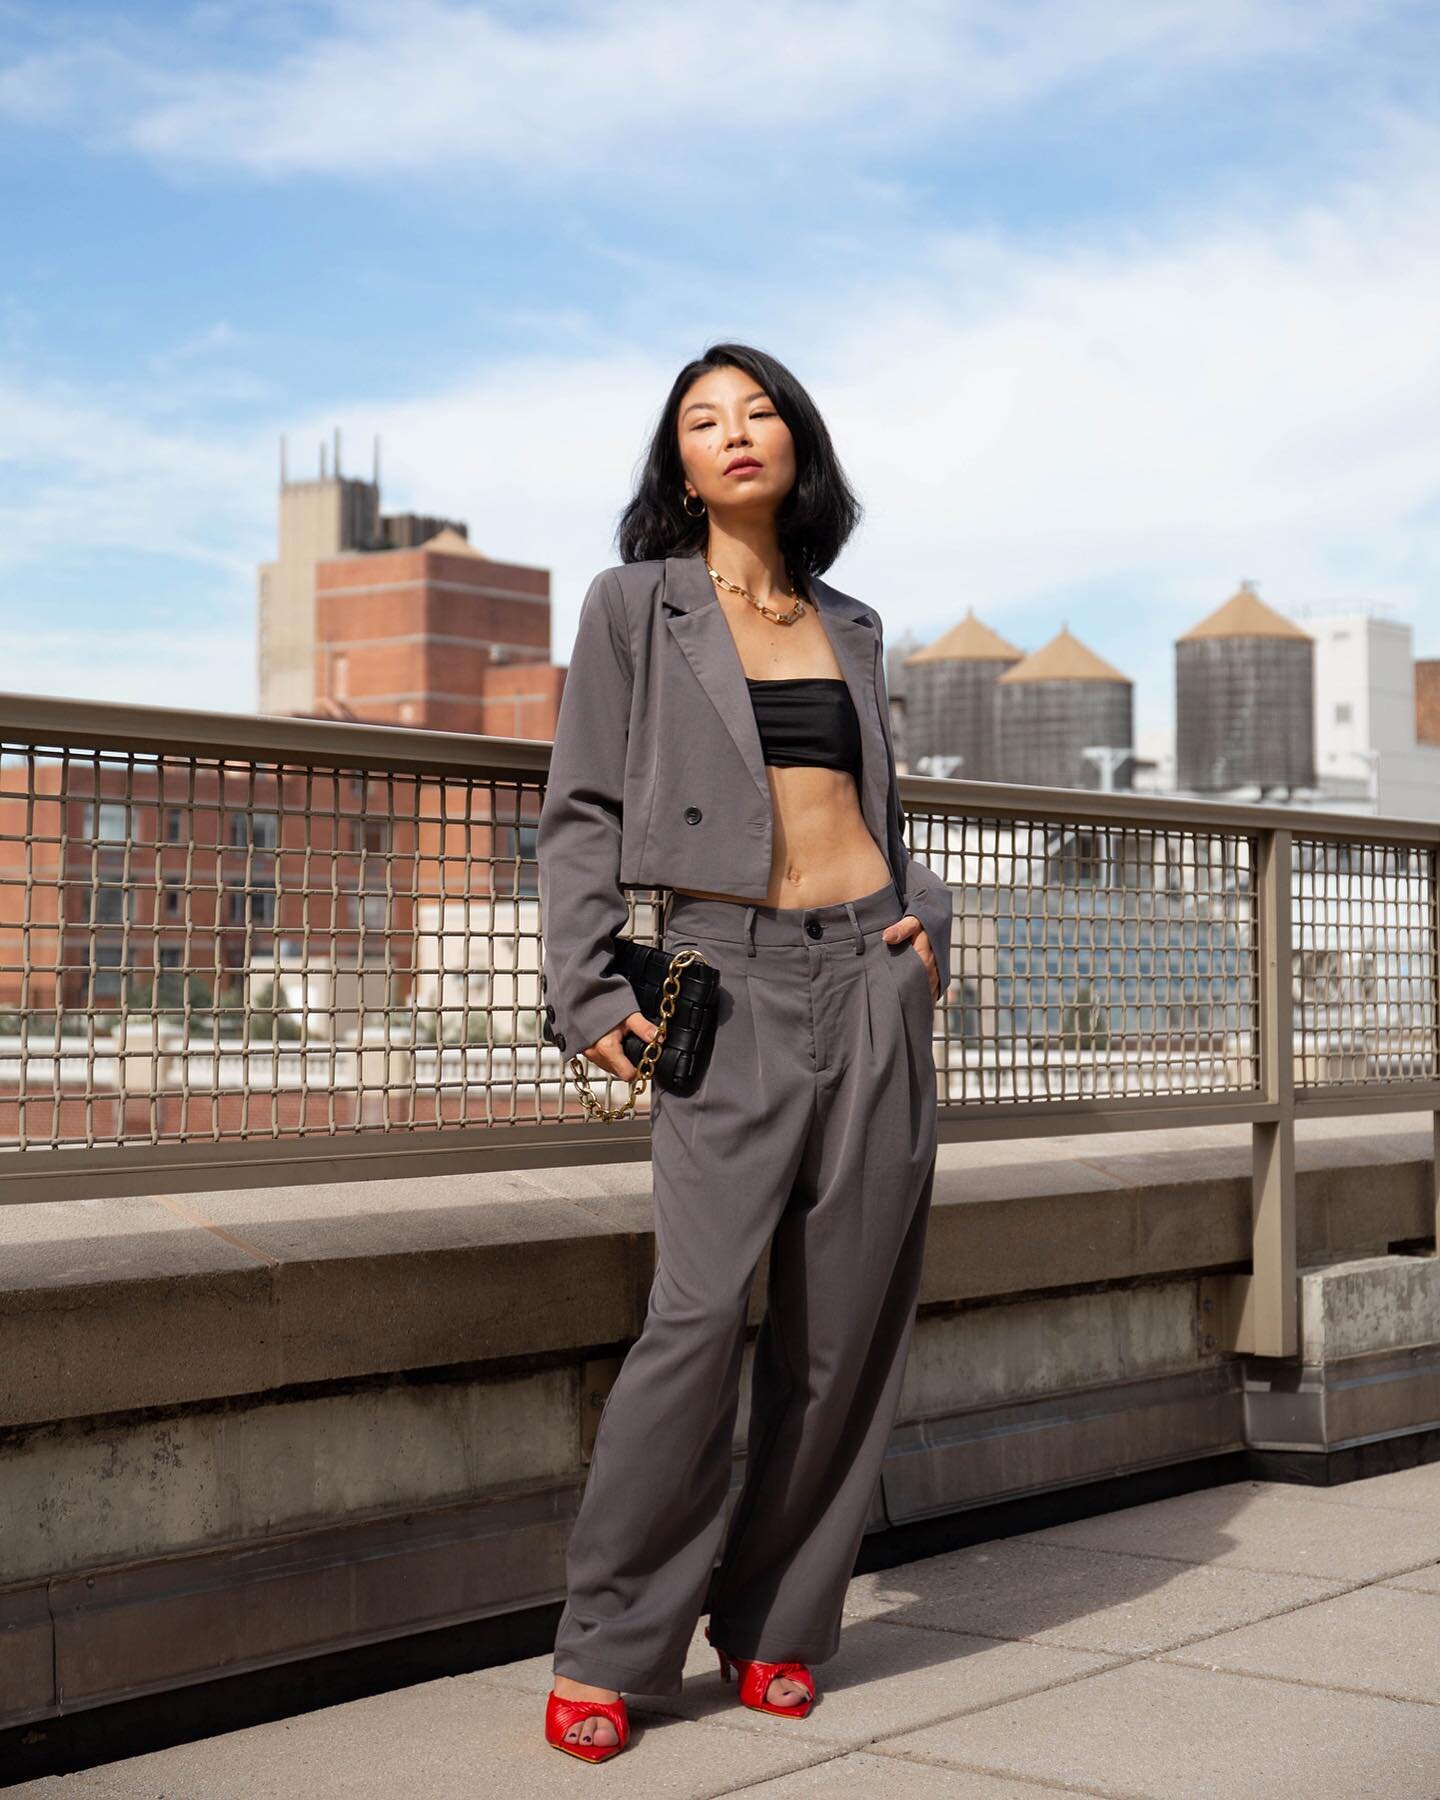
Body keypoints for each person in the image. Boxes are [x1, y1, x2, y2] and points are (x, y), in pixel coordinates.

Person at [536, 342, 949, 1764]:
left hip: (875, 979)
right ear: (680, 463)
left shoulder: (852, 618)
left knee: (841, 1336)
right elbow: (580, 805)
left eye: (758, 410)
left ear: (796, 442)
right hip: (733, 984)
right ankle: (610, 1646)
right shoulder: (634, 606)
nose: (734, 434)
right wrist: (585, 990)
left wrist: (927, 926)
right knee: (698, 1319)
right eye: (703, 421)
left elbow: (878, 806)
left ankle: (778, 1620)